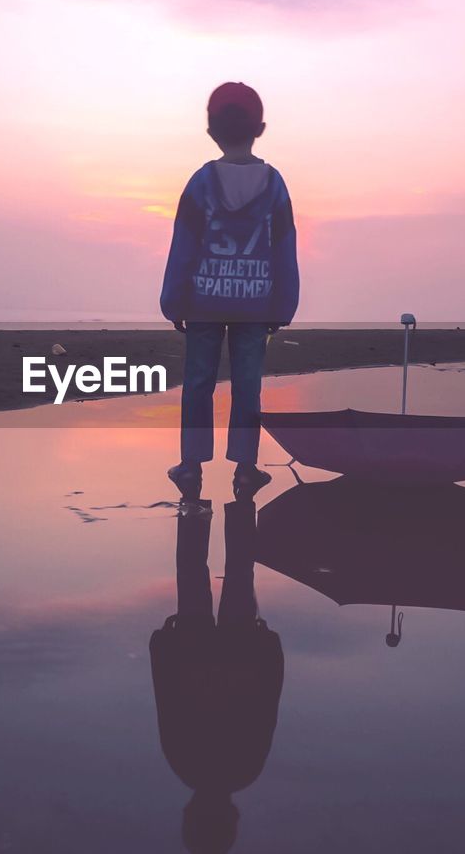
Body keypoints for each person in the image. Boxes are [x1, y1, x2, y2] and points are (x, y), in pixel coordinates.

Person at [160, 82, 300, 500]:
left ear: (211, 131)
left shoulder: (201, 182)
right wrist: (284, 304)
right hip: (256, 303)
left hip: (204, 300)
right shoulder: (274, 185)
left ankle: (190, 466)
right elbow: (284, 249)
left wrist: (173, 301)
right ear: (260, 128)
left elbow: (184, 245)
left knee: (198, 382)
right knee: (247, 385)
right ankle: (244, 469)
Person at [150, 498, 284, 854]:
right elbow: (167, 695)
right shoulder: (183, 763)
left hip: (241, 653)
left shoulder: (246, 769)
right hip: (194, 651)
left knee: (240, 572)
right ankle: (195, 498)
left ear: (230, 819)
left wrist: (271, 646)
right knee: (192, 570)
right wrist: (161, 643)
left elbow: (267, 700)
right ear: (191, 815)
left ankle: (241, 500)